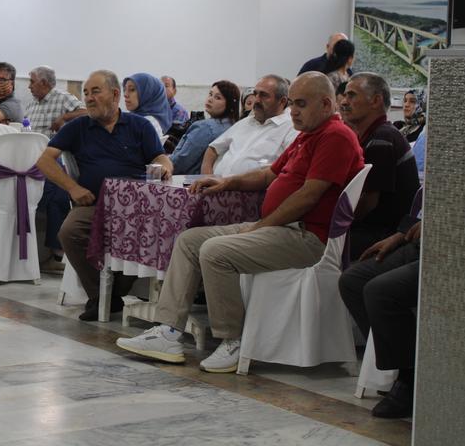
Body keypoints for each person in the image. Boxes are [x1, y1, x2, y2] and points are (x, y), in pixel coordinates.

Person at [116, 72, 364, 374]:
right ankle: (168, 332)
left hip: (308, 238)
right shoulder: (307, 135)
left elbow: (309, 197)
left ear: (326, 104)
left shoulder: (336, 137)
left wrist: (261, 226)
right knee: (190, 240)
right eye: (293, 104)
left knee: (215, 252)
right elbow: (269, 175)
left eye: (300, 104)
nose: (293, 111)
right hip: (280, 229)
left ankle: (231, 339)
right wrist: (227, 182)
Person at [35, 70, 167, 320]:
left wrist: (165, 169)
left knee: (156, 233)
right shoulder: (78, 127)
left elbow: (159, 157)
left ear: (115, 94)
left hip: (135, 209)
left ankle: (114, 294)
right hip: (95, 203)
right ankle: (99, 295)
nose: (89, 98)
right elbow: (45, 161)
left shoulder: (140, 126)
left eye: (96, 91)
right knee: (69, 231)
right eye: (86, 93)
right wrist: (73, 188)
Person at [338, 217, 421, 418]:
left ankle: (409, 378)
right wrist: (400, 234)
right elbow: (420, 204)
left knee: (380, 291)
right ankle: (395, 361)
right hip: (418, 243)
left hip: (450, 247)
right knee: (352, 281)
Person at [339, 73, 420, 260]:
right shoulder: (375, 135)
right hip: (376, 228)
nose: (344, 102)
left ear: (376, 101)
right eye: (344, 95)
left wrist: (336, 223)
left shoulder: (382, 139)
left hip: (384, 234)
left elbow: (368, 203)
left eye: (351, 95)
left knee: (316, 242)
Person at [24, 66, 86, 273]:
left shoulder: (61, 98)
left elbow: (86, 113)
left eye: (32, 81)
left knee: (57, 192)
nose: (30, 86)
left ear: (44, 82)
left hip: (53, 160)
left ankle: (56, 254)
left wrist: (65, 118)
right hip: (30, 160)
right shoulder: (32, 105)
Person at [200, 75, 297, 176]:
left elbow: (289, 171)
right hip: (216, 186)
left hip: (252, 190)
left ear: (282, 101)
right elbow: (212, 149)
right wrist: (207, 178)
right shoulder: (246, 122)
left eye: (264, 95)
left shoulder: (290, 128)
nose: (257, 100)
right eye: (255, 94)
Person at [156, 80, 240, 176]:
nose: (210, 99)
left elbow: (180, 162)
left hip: (187, 182)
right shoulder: (234, 126)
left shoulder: (205, 128)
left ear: (229, 104)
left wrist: (160, 163)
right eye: (210, 94)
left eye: (218, 97)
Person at [123, 73, 173, 139]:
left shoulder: (146, 123)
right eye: (124, 89)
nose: (125, 94)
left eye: (132, 89)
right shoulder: (136, 119)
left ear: (148, 93)